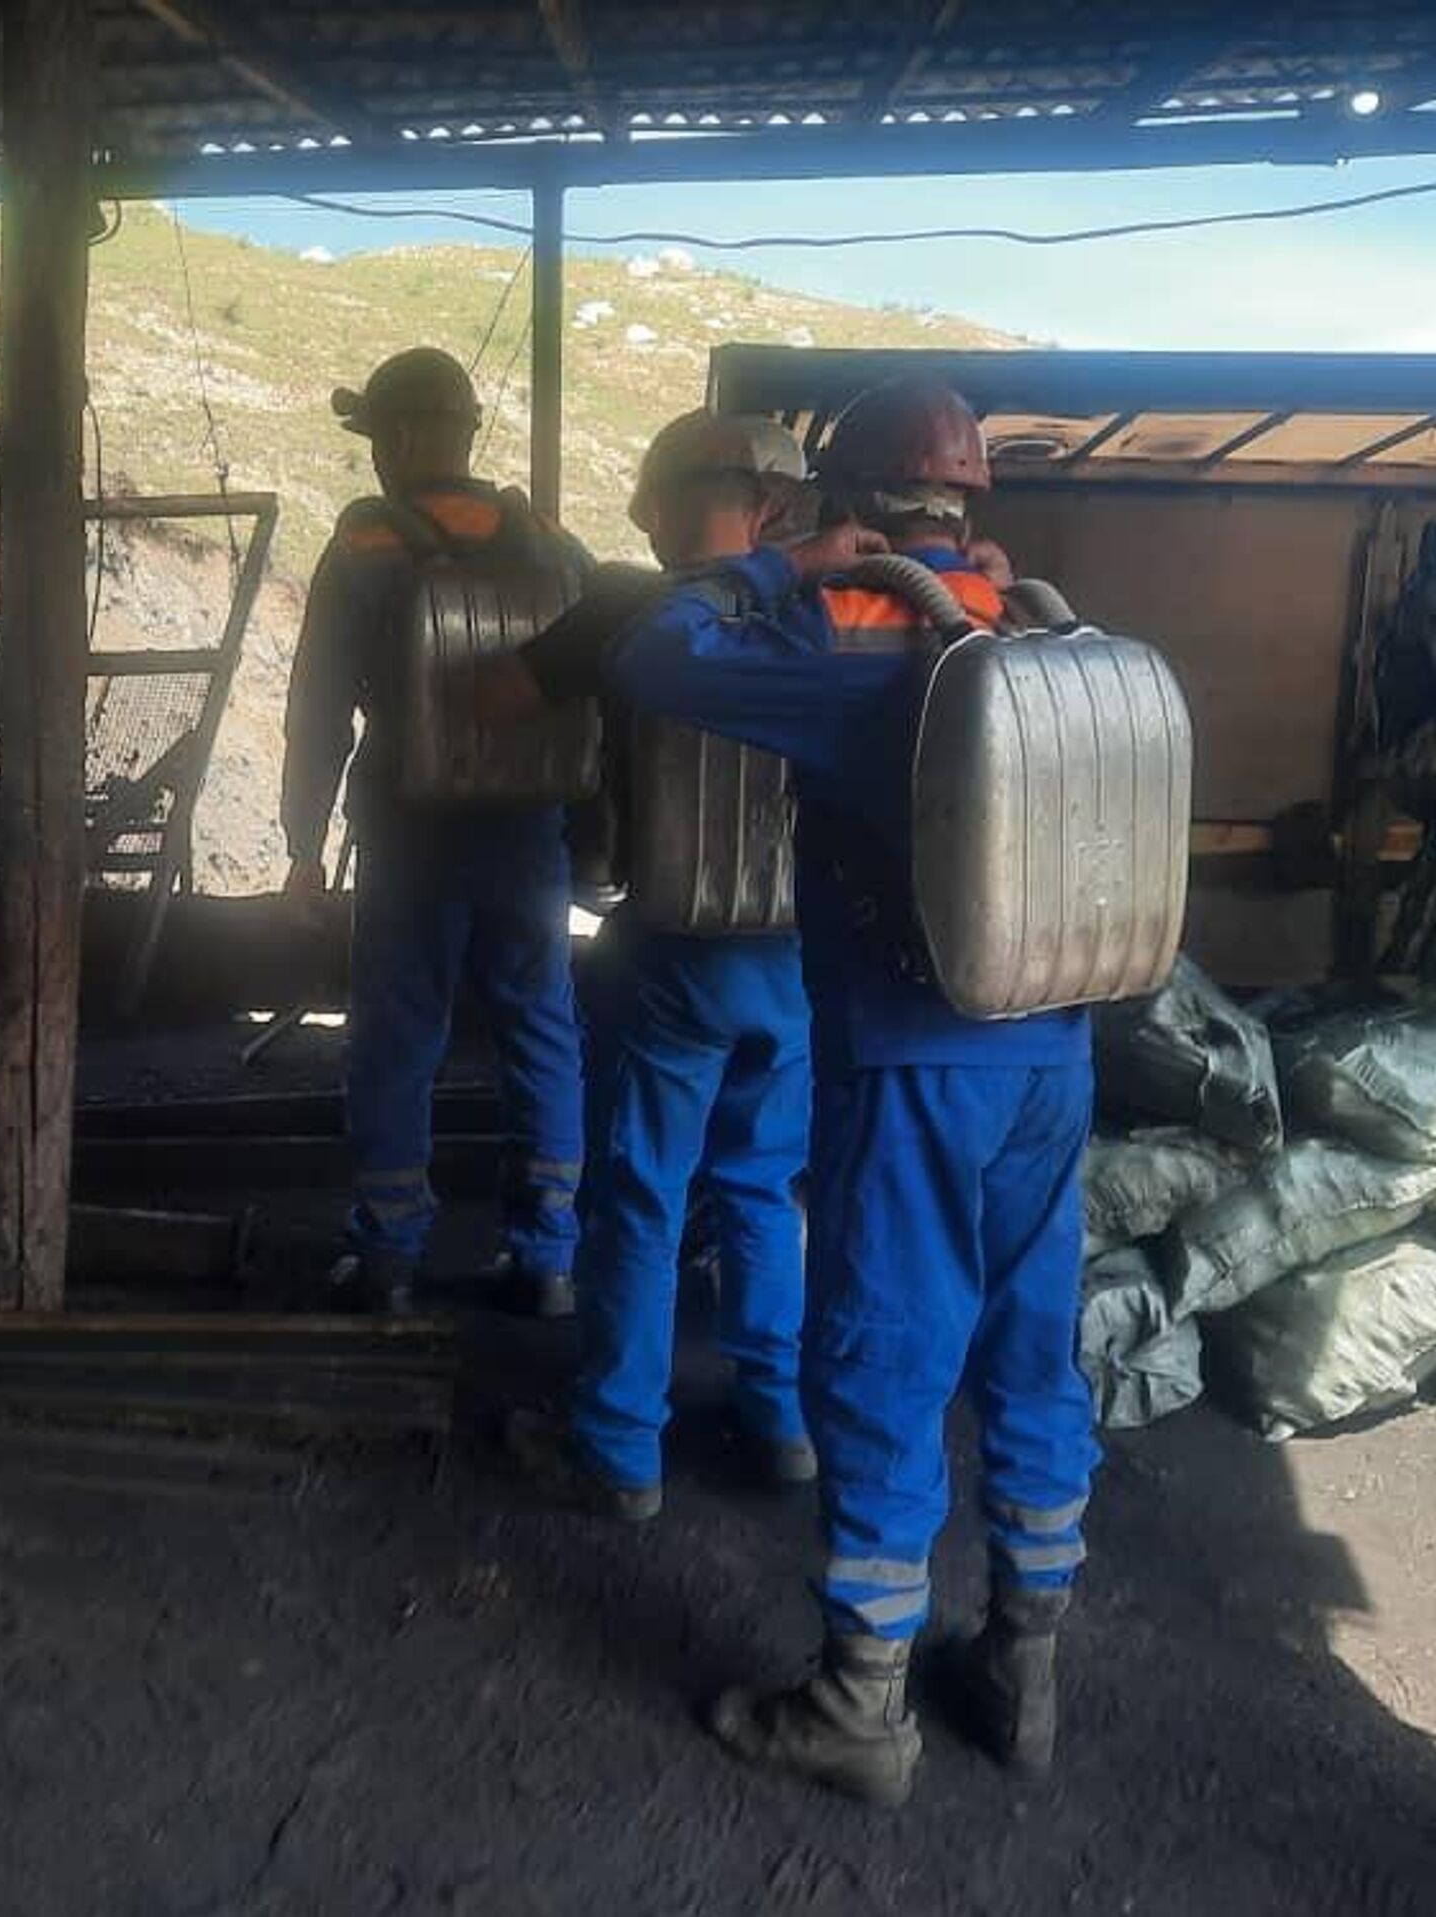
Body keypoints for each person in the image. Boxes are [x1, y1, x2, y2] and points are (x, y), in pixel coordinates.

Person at [517, 380, 1096, 1808]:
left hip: (916, 1056)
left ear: (849, 504)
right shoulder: (1035, 623)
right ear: (967, 501)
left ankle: (859, 1702)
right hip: (1055, 1055)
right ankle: (1021, 1666)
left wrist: (785, 568)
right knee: (1031, 1353)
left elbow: (652, 652)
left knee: (886, 1351)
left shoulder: (852, 633)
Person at [501, 412, 818, 1520]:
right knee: (763, 1187)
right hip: (796, 957)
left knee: (642, 1194)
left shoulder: (640, 613)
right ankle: (779, 1420)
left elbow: (498, 698)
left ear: (673, 501)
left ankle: (619, 1446)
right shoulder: (834, 612)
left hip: (676, 949)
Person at [282, 346, 586, 1317]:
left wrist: (302, 843)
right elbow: (598, 665)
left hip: (411, 828)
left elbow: (319, 705)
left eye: (378, 436)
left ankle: (389, 1253)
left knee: (398, 1034)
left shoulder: (366, 544)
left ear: (408, 436)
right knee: (540, 1028)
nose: (375, 456)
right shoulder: (547, 539)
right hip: (529, 827)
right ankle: (547, 1257)